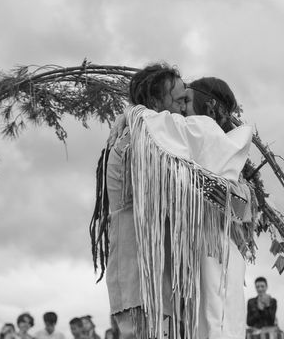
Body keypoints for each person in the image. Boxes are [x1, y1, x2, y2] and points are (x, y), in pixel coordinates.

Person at [90, 63, 253, 339]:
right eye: (179, 101)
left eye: (186, 101)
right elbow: (181, 183)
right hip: (142, 284)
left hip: (165, 287)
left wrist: (233, 190)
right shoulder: (136, 144)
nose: (182, 111)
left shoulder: (159, 143)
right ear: (155, 102)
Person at [185, 77, 256, 339]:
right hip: (196, 254)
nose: (182, 108)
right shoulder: (184, 143)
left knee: (218, 322)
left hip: (215, 251)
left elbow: (240, 212)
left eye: (187, 101)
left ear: (210, 107)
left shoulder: (230, 162)